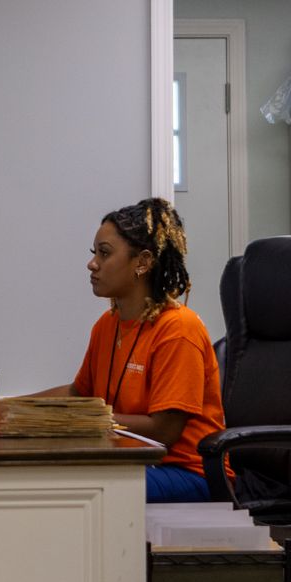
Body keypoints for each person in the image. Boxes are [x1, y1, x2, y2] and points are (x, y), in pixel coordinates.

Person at [43, 197, 224, 502]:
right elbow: (78, 394)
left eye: (105, 253)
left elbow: (164, 431)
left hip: (189, 473)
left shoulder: (179, 329)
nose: (92, 263)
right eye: (94, 253)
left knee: (75, 488)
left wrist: (80, 418)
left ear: (142, 262)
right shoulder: (107, 325)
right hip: (135, 464)